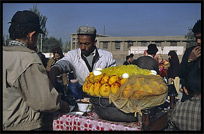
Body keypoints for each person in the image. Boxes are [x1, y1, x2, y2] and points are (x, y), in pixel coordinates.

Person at [3, 10, 69, 131]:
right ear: (32, 35)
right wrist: (62, 104)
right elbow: (45, 101)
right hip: (22, 125)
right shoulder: (28, 58)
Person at [48, 26, 116, 99]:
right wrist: (55, 68)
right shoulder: (72, 55)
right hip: (81, 98)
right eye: (80, 43)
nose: (83, 47)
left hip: (101, 98)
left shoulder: (107, 56)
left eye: (87, 44)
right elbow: (64, 63)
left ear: (94, 42)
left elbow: (114, 79)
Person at [178, 19, 201, 102]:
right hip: (189, 98)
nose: (198, 41)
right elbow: (181, 73)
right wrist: (190, 60)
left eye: (200, 38)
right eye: (196, 38)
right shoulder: (190, 51)